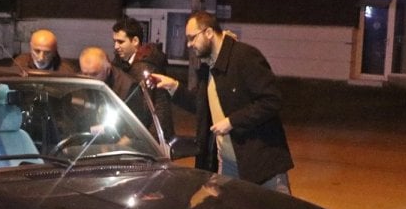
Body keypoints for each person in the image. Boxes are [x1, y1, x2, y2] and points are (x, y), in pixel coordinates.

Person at [148, 10, 294, 193]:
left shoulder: (245, 57)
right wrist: (173, 86)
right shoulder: (209, 66)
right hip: (228, 163)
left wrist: (232, 121)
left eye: (192, 38)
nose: (189, 44)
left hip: (262, 166)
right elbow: (200, 105)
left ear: (209, 32)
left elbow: (272, 100)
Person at [111, 17, 174, 139]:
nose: (116, 46)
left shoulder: (143, 68)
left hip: (151, 136)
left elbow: (146, 110)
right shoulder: (123, 64)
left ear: (135, 41)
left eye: (120, 42)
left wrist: (135, 139)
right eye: (114, 41)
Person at [13, 28, 77, 74]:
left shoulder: (66, 71)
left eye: (47, 52)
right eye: (37, 51)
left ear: (54, 52)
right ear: (30, 48)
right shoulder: (20, 64)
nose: (41, 58)